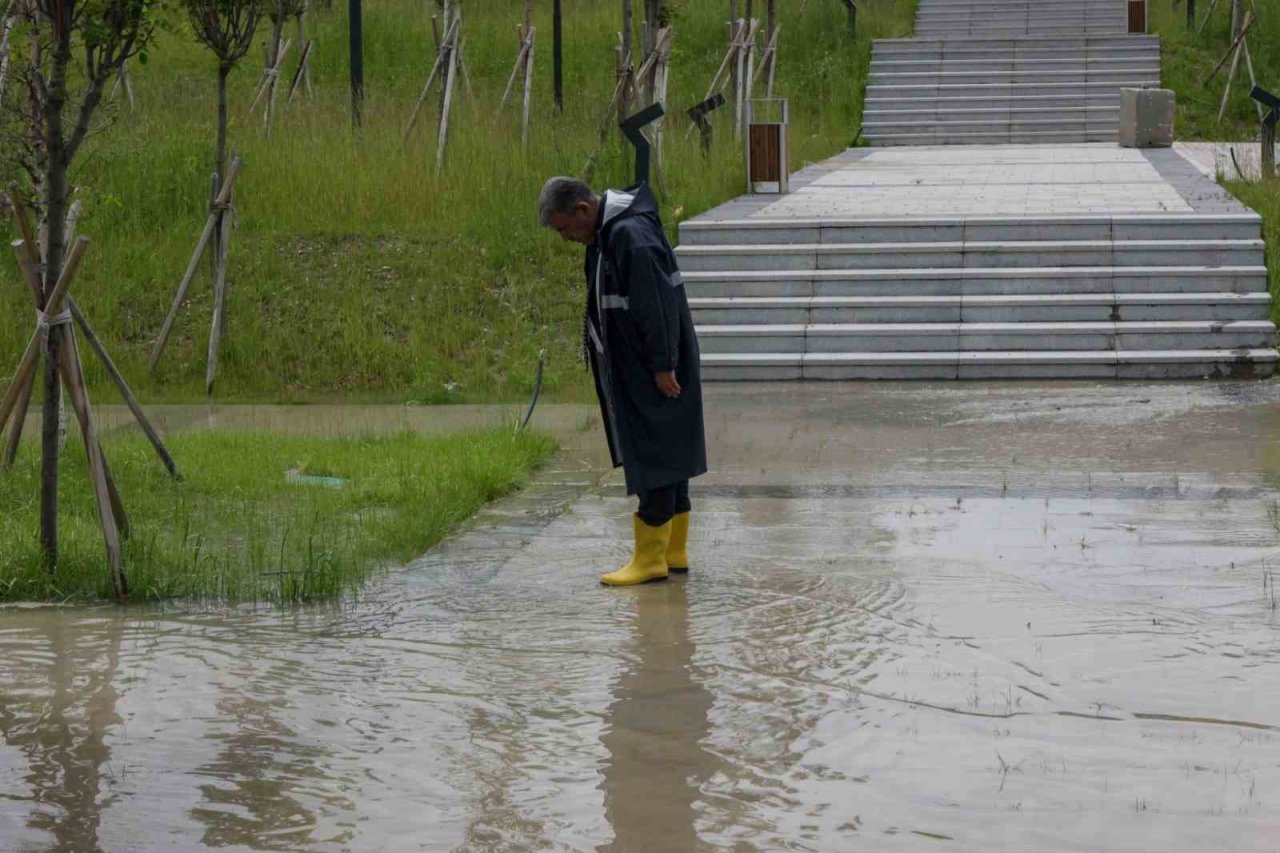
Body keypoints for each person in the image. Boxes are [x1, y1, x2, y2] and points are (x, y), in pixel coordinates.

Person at [539, 176, 707, 587]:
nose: (565, 238)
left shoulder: (629, 235)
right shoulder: (609, 233)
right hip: (644, 362)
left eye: (564, 228)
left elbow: (655, 303)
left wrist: (663, 365)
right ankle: (672, 551)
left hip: (653, 365)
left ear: (582, 210)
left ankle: (650, 560)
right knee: (669, 452)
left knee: (655, 454)